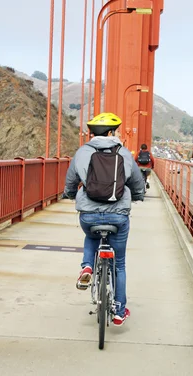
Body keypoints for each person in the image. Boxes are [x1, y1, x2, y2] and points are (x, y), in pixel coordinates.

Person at [63, 112, 145, 326]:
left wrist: (70, 194)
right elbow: (137, 182)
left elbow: (71, 180)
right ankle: (119, 310)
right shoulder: (124, 153)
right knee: (119, 264)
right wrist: (137, 196)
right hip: (117, 216)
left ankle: (87, 267)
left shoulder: (82, 153)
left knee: (91, 235)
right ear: (112, 132)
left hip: (89, 214)